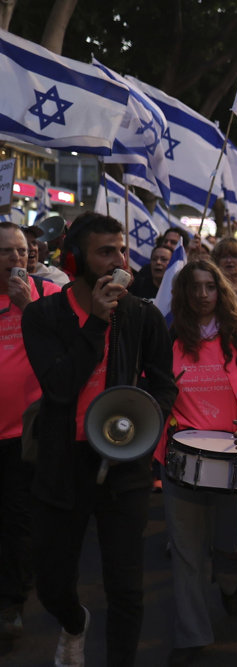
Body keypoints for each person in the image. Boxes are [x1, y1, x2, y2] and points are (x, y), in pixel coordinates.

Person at [21, 212, 177, 667]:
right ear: (75, 260)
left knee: (126, 587)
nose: (119, 261)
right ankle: (73, 623)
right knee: (51, 583)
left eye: (122, 250)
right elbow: (59, 387)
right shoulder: (43, 315)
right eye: (105, 252)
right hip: (62, 461)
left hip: (123, 463)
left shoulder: (142, 316)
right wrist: (96, 323)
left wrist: (147, 427)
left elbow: (164, 384)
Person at [158, 260, 237, 666]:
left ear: (221, 291)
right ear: (184, 293)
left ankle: (229, 584)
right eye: (195, 287)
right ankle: (191, 635)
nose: (203, 294)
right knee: (187, 553)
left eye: (211, 286)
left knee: (228, 550)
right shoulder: (168, 337)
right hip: (180, 459)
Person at [0, 223, 61, 640]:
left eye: (22, 250)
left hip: (24, 433)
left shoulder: (49, 296)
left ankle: (12, 602)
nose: (17, 258)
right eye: (7, 252)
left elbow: (69, 350)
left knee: (16, 520)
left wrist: (29, 307)